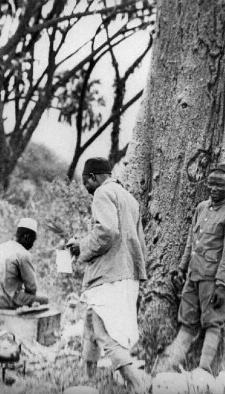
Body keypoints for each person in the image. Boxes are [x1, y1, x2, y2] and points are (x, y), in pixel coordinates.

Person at [66, 157, 149, 393]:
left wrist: (80, 246)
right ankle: (89, 378)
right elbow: (138, 243)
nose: (87, 189)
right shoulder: (130, 199)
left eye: (86, 184)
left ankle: (137, 383)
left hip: (108, 276)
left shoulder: (103, 193)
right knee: (92, 324)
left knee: (106, 333)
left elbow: (107, 231)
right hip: (126, 274)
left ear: (92, 178)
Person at [154, 164, 225, 374]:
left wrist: (222, 284)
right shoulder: (201, 207)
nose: (214, 188)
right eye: (211, 182)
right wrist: (182, 267)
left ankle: (202, 374)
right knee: (187, 323)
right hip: (193, 276)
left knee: (212, 324)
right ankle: (166, 369)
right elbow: (190, 243)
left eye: (220, 184)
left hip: (212, 280)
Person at [0, 218, 49, 309]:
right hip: (5, 301)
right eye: (33, 240)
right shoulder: (23, 254)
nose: (33, 245)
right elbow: (32, 288)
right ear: (26, 237)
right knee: (45, 299)